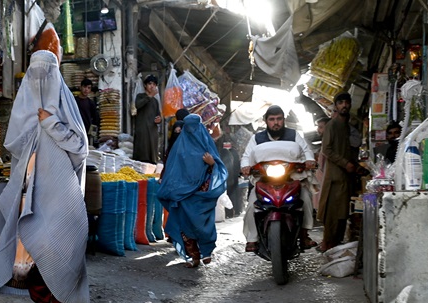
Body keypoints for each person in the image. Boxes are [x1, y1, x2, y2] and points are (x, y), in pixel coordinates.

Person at [0, 49, 89, 303]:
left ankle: (60, 302)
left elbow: (80, 148)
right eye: (34, 75)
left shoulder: (66, 109)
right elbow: (14, 147)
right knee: (29, 247)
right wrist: (34, 127)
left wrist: (51, 123)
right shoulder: (23, 111)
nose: (40, 81)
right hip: (28, 190)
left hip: (59, 193)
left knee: (57, 246)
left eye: (47, 74)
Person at [241, 105, 317, 252]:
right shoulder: (256, 138)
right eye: (272, 119)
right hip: (264, 179)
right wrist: (245, 167)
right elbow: (246, 156)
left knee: (305, 197)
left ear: (284, 120)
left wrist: (309, 160)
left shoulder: (294, 135)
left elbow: (306, 151)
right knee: (252, 203)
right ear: (266, 121)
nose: (276, 123)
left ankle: (304, 234)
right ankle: (252, 239)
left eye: (279, 119)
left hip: (290, 178)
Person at [158, 113, 227, 268]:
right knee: (185, 226)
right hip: (184, 193)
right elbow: (172, 168)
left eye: (194, 127)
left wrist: (211, 163)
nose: (192, 130)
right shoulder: (179, 147)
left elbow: (219, 166)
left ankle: (207, 251)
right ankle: (194, 257)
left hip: (202, 193)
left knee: (203, 224)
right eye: (188, 127)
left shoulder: (207, 145)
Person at [317, 92, 361, 252]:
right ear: (336, 106)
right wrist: (345, 163)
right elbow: (326, 149)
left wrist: (354, 165)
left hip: (346, 177)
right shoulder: (332, 125)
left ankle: (336, 247)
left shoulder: (346, 126)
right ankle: (329, 246)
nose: (344, 105)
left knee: (342, 214)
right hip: (335, 177)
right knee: (332, 215)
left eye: (346, 102)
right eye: (340, 103)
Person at [133, 74, 162, 164]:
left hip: (153, 131)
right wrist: (149, 96)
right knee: (142, 154)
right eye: (150, 84)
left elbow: (158, 115)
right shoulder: (140, 96)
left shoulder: (155, 101)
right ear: (145, 85)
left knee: (152, 157)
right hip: (142, 130)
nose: (152, 86)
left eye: (154, 84)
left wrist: (159, 119)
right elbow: (138, 105)